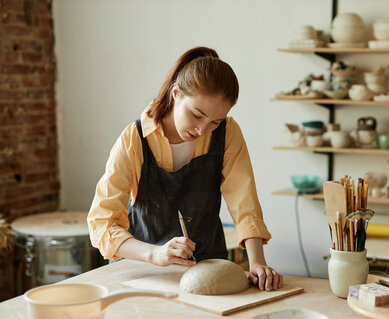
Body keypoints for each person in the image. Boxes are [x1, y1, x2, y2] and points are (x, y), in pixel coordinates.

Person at [88, 46, 283, 291]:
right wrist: (156, 255)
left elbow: (245, 204)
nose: (202, 130)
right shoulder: (134, 139)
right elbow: (101, 224)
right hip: (145, 273)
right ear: (176, 93)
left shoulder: (228, 133)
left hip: (209, 266)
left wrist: (257, 263)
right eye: (197, 115)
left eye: (215, 121)